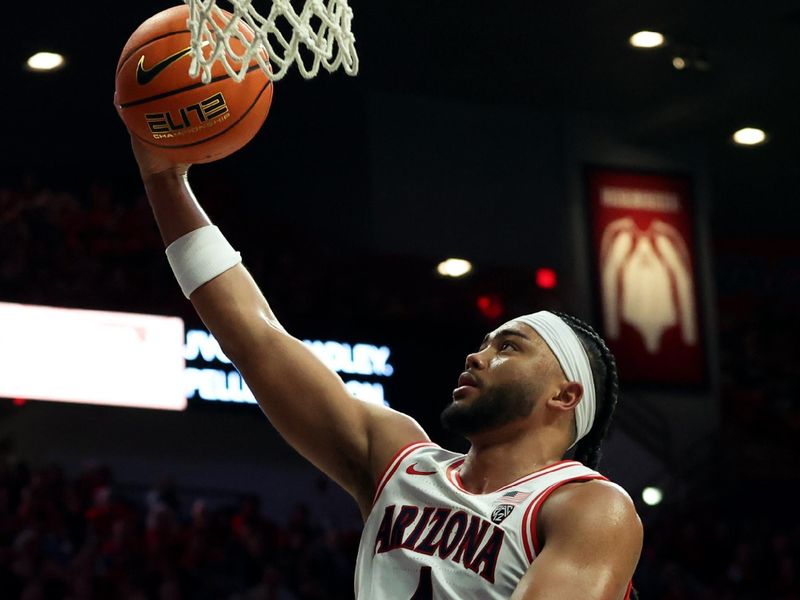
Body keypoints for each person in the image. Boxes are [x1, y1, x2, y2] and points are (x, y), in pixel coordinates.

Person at [129, 137, 643, 599]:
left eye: (508, 348)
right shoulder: (399, 460)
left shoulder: (589, 508)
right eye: (484, 343)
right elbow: (255, 337)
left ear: (564, 396)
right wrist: (165, 180)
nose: (477, 356)